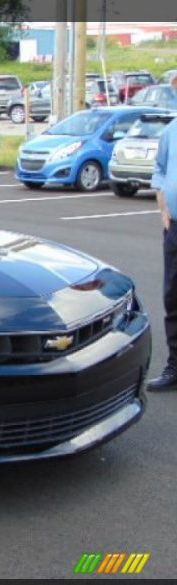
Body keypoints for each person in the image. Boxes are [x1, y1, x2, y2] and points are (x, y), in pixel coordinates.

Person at [146, 72, 177, 391]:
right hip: (175, 230)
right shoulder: (171, 132)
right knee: (173, 298)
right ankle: (175, 367)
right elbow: (159, 170)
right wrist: (163, 209)